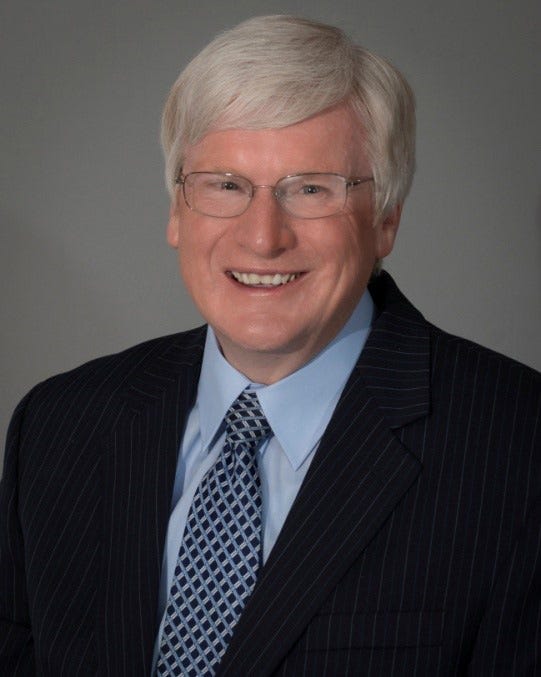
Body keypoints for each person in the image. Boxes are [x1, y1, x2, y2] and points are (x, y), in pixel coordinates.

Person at [0, 14, 539, 677]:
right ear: (177, 210)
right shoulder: (58, 427)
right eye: (225, 185)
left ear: (386, 220)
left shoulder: (518, 446)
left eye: (310, 189)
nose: (262, 237)